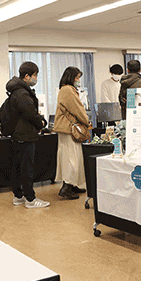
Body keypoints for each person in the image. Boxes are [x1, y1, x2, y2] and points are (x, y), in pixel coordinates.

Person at [5, 62, 49, 208]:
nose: (36, 78)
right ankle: (30, 199)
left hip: (18, 134)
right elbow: (30, 113)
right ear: (26, 76)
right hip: (25, 134)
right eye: (35, 75)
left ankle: (18, 196)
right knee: (26, 168)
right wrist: (41, 123)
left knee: (18, 167)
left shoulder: (16, 91)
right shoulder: (22, 93)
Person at [53, 67, 90, 200]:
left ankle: (72, 184)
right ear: (70, 77)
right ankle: (67, 187)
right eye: (77, 77)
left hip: (67, 129)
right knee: (71, 159)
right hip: (69, 129)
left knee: (72, 158)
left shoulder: (64, 89)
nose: (78, 80)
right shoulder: (68, 90)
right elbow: (77, 109)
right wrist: (86, 121)